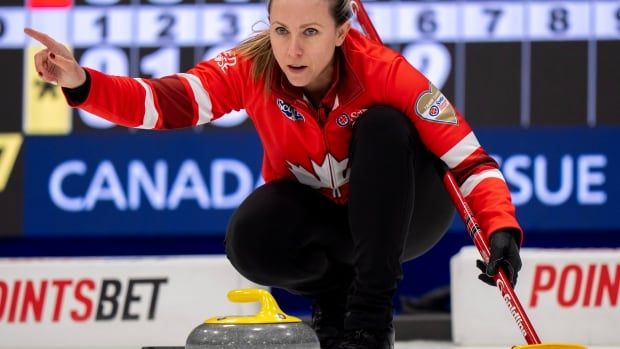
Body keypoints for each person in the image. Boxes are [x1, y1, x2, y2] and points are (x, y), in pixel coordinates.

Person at [25, 0, 523, 348]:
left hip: (406, 217)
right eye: (281, 31)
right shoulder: (253, 65)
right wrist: (83, 82)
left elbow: (469, 161)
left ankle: (370, 324)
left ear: (341, 32)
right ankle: (332, 305)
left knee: (385, 127)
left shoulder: (387, 72)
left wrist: (500, 228)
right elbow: (167, 102)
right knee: (251, 235)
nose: (293, 51)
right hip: (328, 222)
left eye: (310, 32)